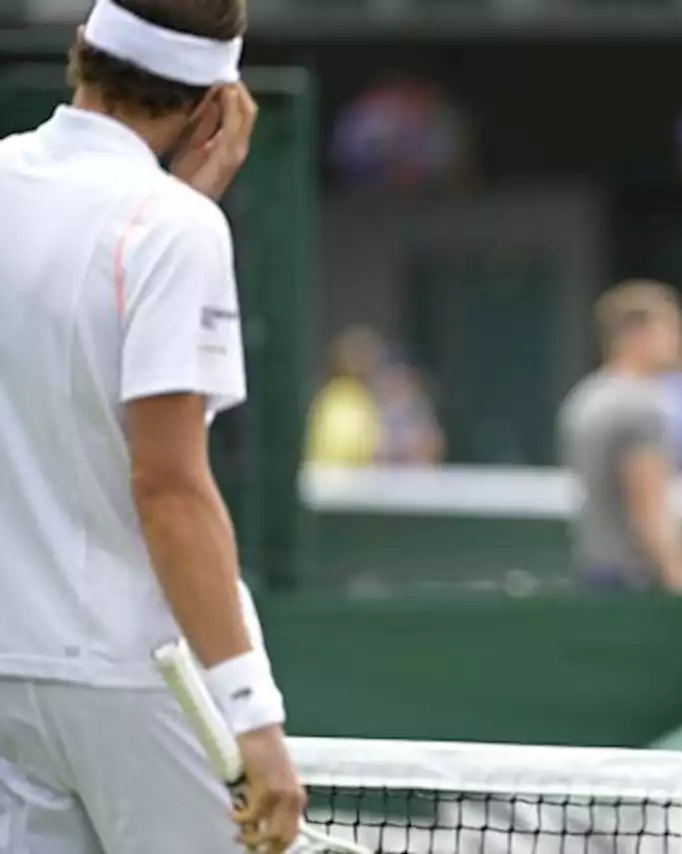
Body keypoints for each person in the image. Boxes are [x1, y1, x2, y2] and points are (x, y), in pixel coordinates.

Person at [0, 1, 305, 852]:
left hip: (10, 678)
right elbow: (168, 487)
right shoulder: (174, 229)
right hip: (137, 677)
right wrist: (254, 717)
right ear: (214, 107)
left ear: (80, 53)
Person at [558, 281, 682, 594]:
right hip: (637, 583)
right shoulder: (641, 406)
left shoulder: (586, 397)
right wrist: (679, 577)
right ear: (635, 334)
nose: (681, 342)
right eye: (671, 330)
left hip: (594, 571)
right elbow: (649, 507)